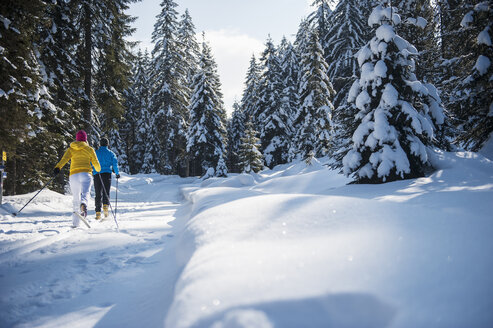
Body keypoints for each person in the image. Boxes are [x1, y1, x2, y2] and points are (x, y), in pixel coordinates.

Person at [53, 130, 101, 227]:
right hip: (86, 174)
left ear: (77, 139)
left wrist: (58, 168)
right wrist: (98, 169)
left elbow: (64, 159)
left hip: (74, 175)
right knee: (85, 193)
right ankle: (84, 203)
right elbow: (96, 165)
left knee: (75, 197)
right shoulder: (89, 149)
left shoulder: (71, 149)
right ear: (85, 139)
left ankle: (75, 223)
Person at [93, 137, 120, 220]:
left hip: (97, 174)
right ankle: (105, 206)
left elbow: (91, 162)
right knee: (106, 191)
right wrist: (117, 173)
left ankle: (98, 212)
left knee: (98, 192)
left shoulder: (96, 152)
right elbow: (115, 163)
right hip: (107, 174)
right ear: (107, 144)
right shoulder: (111, 153)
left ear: (100, 144)